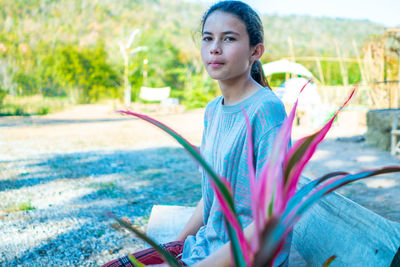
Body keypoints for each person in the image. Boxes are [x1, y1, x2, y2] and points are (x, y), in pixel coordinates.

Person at [103, 1, 290, 266]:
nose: (214, 47)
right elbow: (214, 192)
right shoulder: (213, 111)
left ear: (255, 51)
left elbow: (269, 220)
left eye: (229, 38)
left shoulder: (267, 110)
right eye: (207, 38)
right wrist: (175, 247)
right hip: (202, 249)